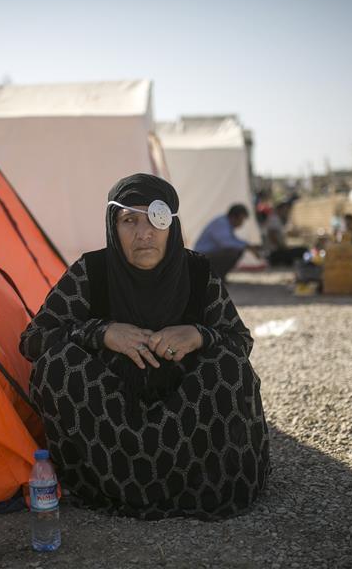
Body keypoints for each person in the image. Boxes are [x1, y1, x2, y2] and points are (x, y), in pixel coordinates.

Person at [20, 174, 270, 520]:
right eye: (129, 221)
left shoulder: (197, 273)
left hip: (188, 423)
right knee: (56, 365)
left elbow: (240, 342)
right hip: (109, 426)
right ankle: (104, 487)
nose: (143, 233)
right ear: (112, 225)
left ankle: (199, 484)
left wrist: (199, 335)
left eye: (156, 219)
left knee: (229, 365)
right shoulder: (91, 272)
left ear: (172, 225)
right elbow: (33, 341)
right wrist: (102, 332)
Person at [193, 204, 260, 282]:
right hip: (202, 257)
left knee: (236, 250)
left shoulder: (225, 223)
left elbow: (233, 240)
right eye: (241, 219)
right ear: (234, 217)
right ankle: (215, 276)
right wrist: (247, 246)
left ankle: (217, 276)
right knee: (233, 252)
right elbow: (226, 243)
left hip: (206, 255)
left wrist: (247, 245)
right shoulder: (221, 223)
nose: (242, 223)